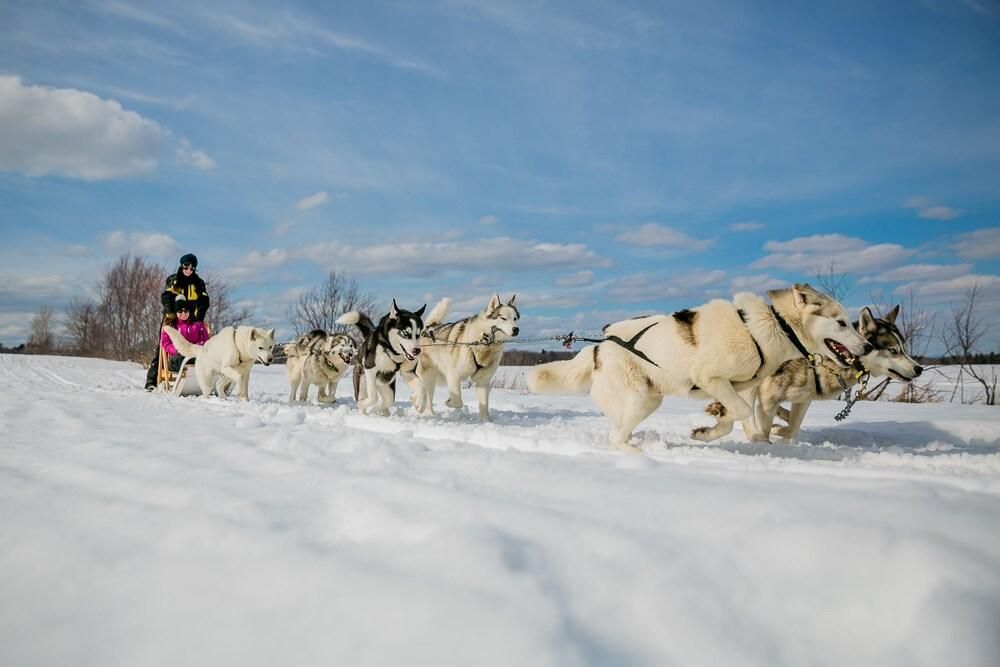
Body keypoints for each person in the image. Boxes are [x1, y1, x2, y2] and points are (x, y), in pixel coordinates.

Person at [144, 253, 211, 390]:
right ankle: (151, 381)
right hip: (174, 320)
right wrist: (171, 315)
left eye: (192, 268)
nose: (188, 271)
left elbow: (204, 301)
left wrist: (199, 319)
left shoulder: (199, 283)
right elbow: (167, 297)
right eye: (186, 267)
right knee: (161, 349)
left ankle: (202, 378)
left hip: (192, 321)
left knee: (198, 347)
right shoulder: (174, 280)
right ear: (181, 266)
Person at [144, 296, 210, 390]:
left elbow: (206, 340)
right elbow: (166, 343)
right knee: (181, 357)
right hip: (178, 357)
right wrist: (176, 350)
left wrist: (197, 347)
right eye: (180, 311)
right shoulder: (171, 326)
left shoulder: (197, 325)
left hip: (196, 354)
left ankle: (210, 379)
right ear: (176, 312)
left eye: (186, 311)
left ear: (189, 312)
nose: (183, 314)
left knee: (207, 356)